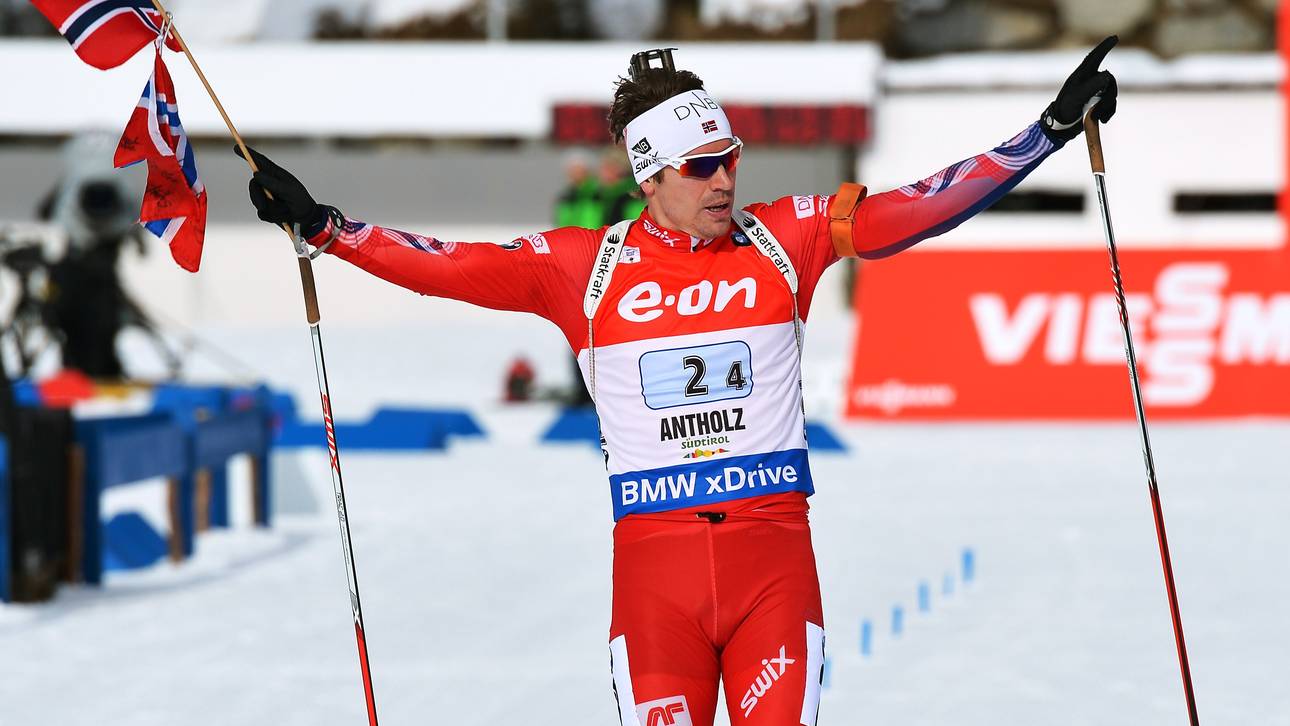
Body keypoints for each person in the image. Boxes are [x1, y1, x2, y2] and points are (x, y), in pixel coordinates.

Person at [239, 39, 1118, 725]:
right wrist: (325, 226)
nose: (725, 179)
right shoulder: (585, 264)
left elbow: (919, 206)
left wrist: (1041, 134)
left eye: (730, 158)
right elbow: (445, 263)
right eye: (701, 167)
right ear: (649, 175)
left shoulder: (786, 238)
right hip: (655, 578)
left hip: (773, 562)